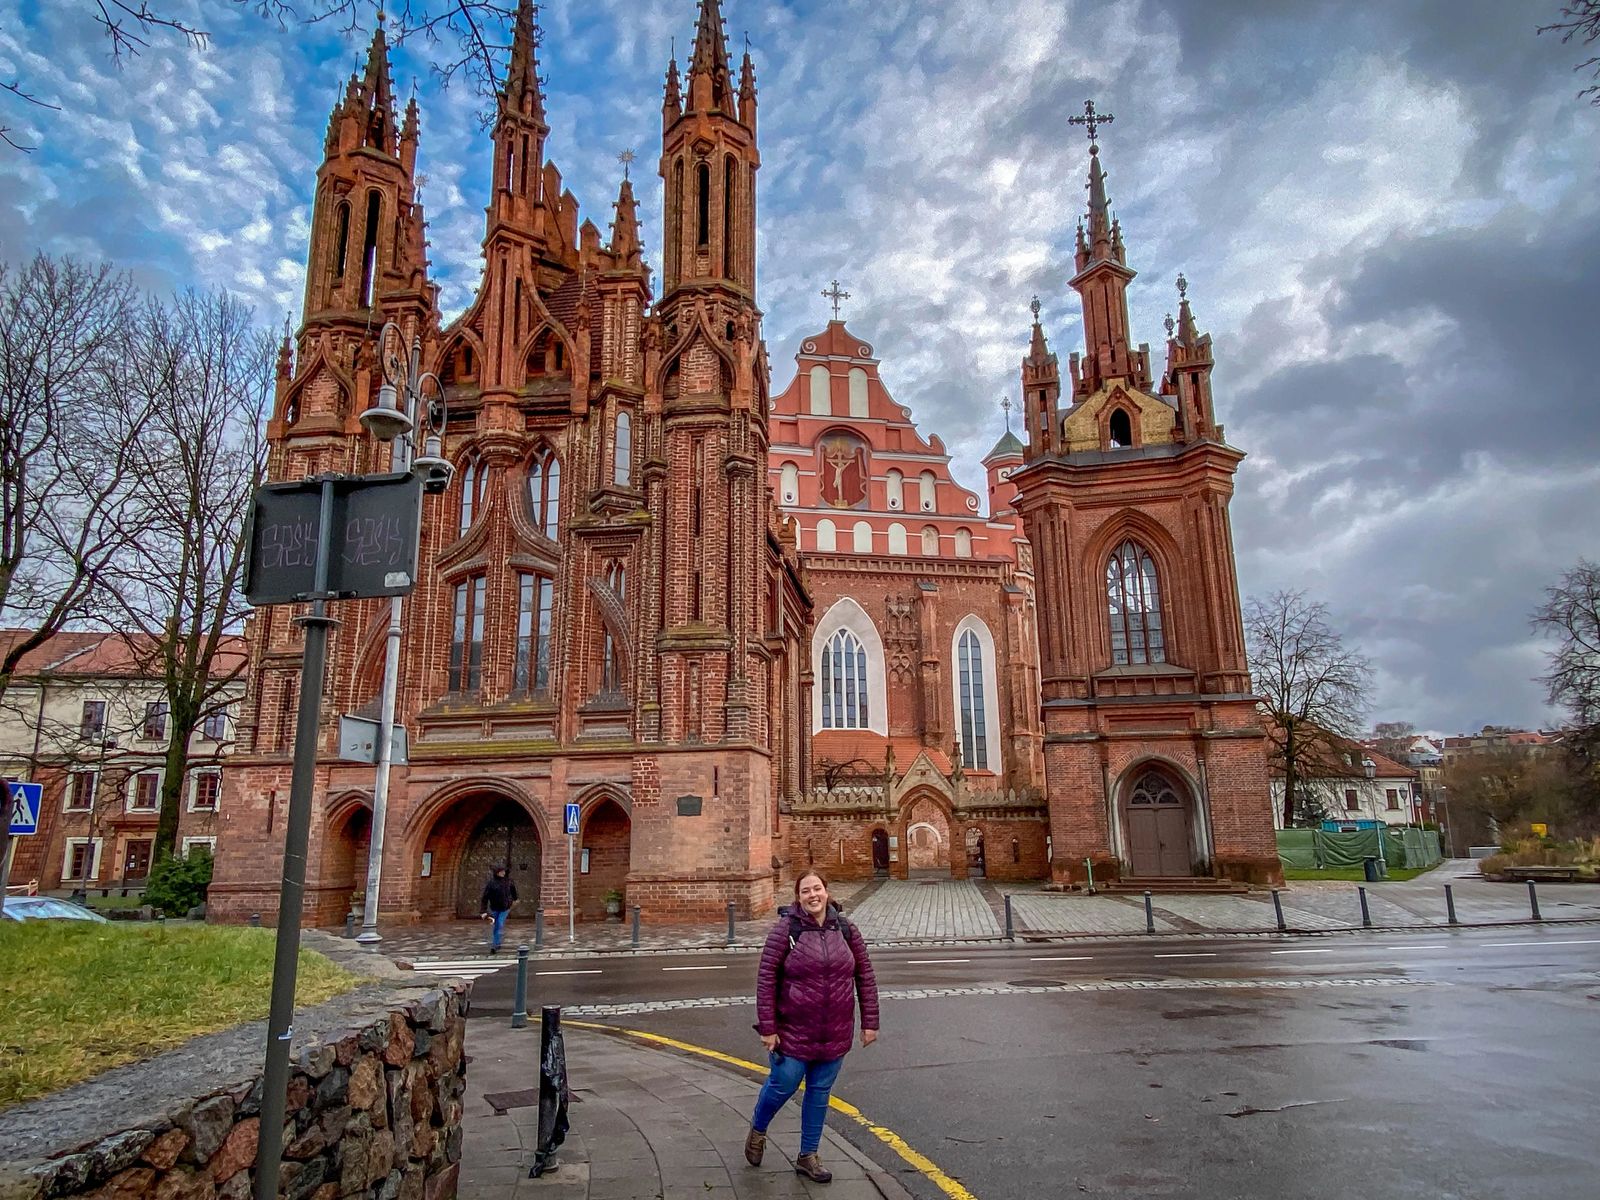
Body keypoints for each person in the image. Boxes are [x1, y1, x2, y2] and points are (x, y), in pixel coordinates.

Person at [746, 870, 879, 1183]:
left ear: (827, 892)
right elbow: (766, 980)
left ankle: (808, 1155)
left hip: (835, 1030)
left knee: (819, 1093)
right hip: (793, 1030)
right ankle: (758, 1127)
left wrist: (870, 1022)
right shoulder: (785, 931)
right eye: (806, 891)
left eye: (817, 889)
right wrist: (768, 1027)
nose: (812, 895)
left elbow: (865, 976)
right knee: (782, 1085)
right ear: (798, 897)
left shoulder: (846, 929)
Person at [479, 866, 517, 953]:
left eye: (504, 871)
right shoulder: (491, 883)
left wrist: (513, 900)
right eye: (501, 872)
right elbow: (485, 898)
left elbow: (513, 891)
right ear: (497, 873)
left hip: (505, 907)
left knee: (499, 924)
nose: (503, 873)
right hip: (495, 907)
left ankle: (495, 945)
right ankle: (497, 943)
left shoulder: (508, 881)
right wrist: (483, 910)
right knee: (496, 925)